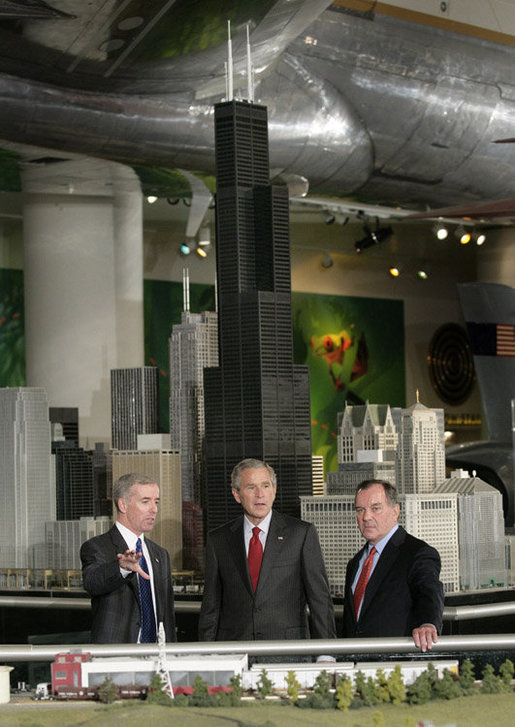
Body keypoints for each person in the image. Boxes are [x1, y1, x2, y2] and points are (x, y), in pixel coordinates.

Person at [199, 458, 336, 643]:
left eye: (265, 486)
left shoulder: (301, 534)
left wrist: (326, 653)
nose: (260, 494)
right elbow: (211, 607)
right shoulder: (219, 540)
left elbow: (320, 599)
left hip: (287, 651)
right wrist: (206, 657)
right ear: (236, 494)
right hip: (235, 650)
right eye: (251, 487)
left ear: (274, 490)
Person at [342, 479, 444, 652]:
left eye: (376, 508)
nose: (366, 517)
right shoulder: (355, 563)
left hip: (397, 664)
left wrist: (428, 624)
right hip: (357, 666)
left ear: (395, 511)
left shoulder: (417, 553)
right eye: (360, 510)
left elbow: (429, 592)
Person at [80, 473, 176, 643]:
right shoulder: (97, 547)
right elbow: (92, 583)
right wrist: (122, 568)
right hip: (118, 655)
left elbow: (167, 615)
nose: (154, 509)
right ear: (123, 505)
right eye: (145, 502)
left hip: (158, 656)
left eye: (156, 502)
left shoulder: (160, 554)